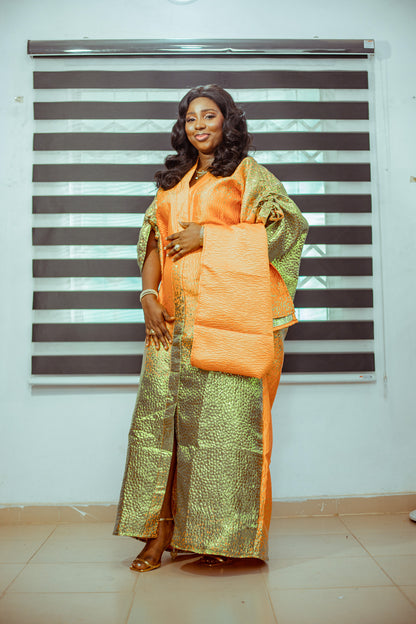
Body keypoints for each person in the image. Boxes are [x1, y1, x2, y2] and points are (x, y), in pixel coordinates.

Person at [113, 84, 309, 571]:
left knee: (223, 430)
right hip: (169, 323)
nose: (199, 125)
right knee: (159, 430)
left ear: (228, 121)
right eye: (191, 118)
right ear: (183, 128)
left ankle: (220, 538)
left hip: (227, 324)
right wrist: (147, 298)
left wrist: (211, 235)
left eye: (209, 115)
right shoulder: (171, 182)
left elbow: (289, 229)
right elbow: (153, 243)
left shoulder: (248, 175)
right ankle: (157, 536)